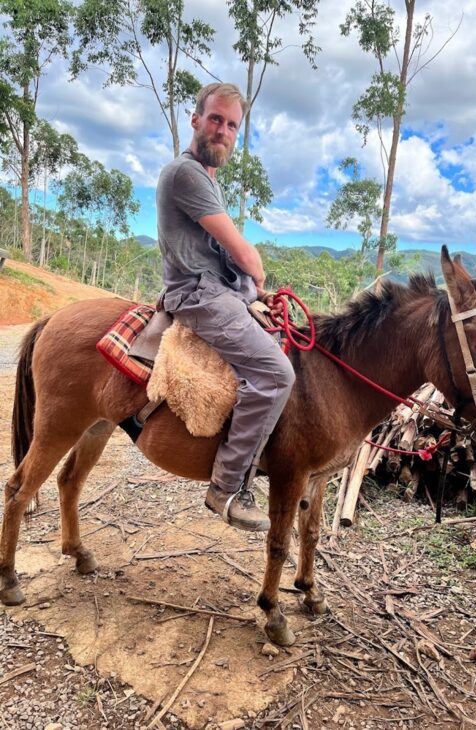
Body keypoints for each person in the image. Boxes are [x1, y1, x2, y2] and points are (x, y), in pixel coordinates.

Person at [156, 82, 296, 532]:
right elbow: (240, 251)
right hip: (198, 293)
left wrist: (255, 294)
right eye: (216, 119)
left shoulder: (207, 179)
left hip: (219, 288)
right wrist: (258, 275)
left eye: (232, 125)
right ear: (195, 120)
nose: (223, 131)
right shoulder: (186, 173)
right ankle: (227, 487)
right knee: (276, 374)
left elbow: (222, 256)